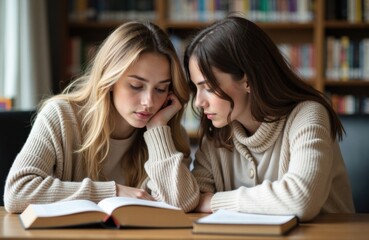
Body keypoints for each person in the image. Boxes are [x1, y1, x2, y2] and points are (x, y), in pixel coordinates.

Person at [4, 21, 199, 213]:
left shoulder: (166, 131)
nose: (149, 101)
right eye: (136, 86)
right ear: (110, 79)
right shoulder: (60, 116)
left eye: (160, 89)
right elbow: (18, 191)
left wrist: (157, 131)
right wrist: (112, 192)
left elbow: (180, 204)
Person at [181, 15, 355, 222]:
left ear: (248, 80)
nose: (199, 102)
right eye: (196, 88)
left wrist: (214, 202)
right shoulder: (219, 133)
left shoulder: (308, 115)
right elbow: (191, 200)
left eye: (208, 88)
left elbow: (300, 199)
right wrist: (159, 127)